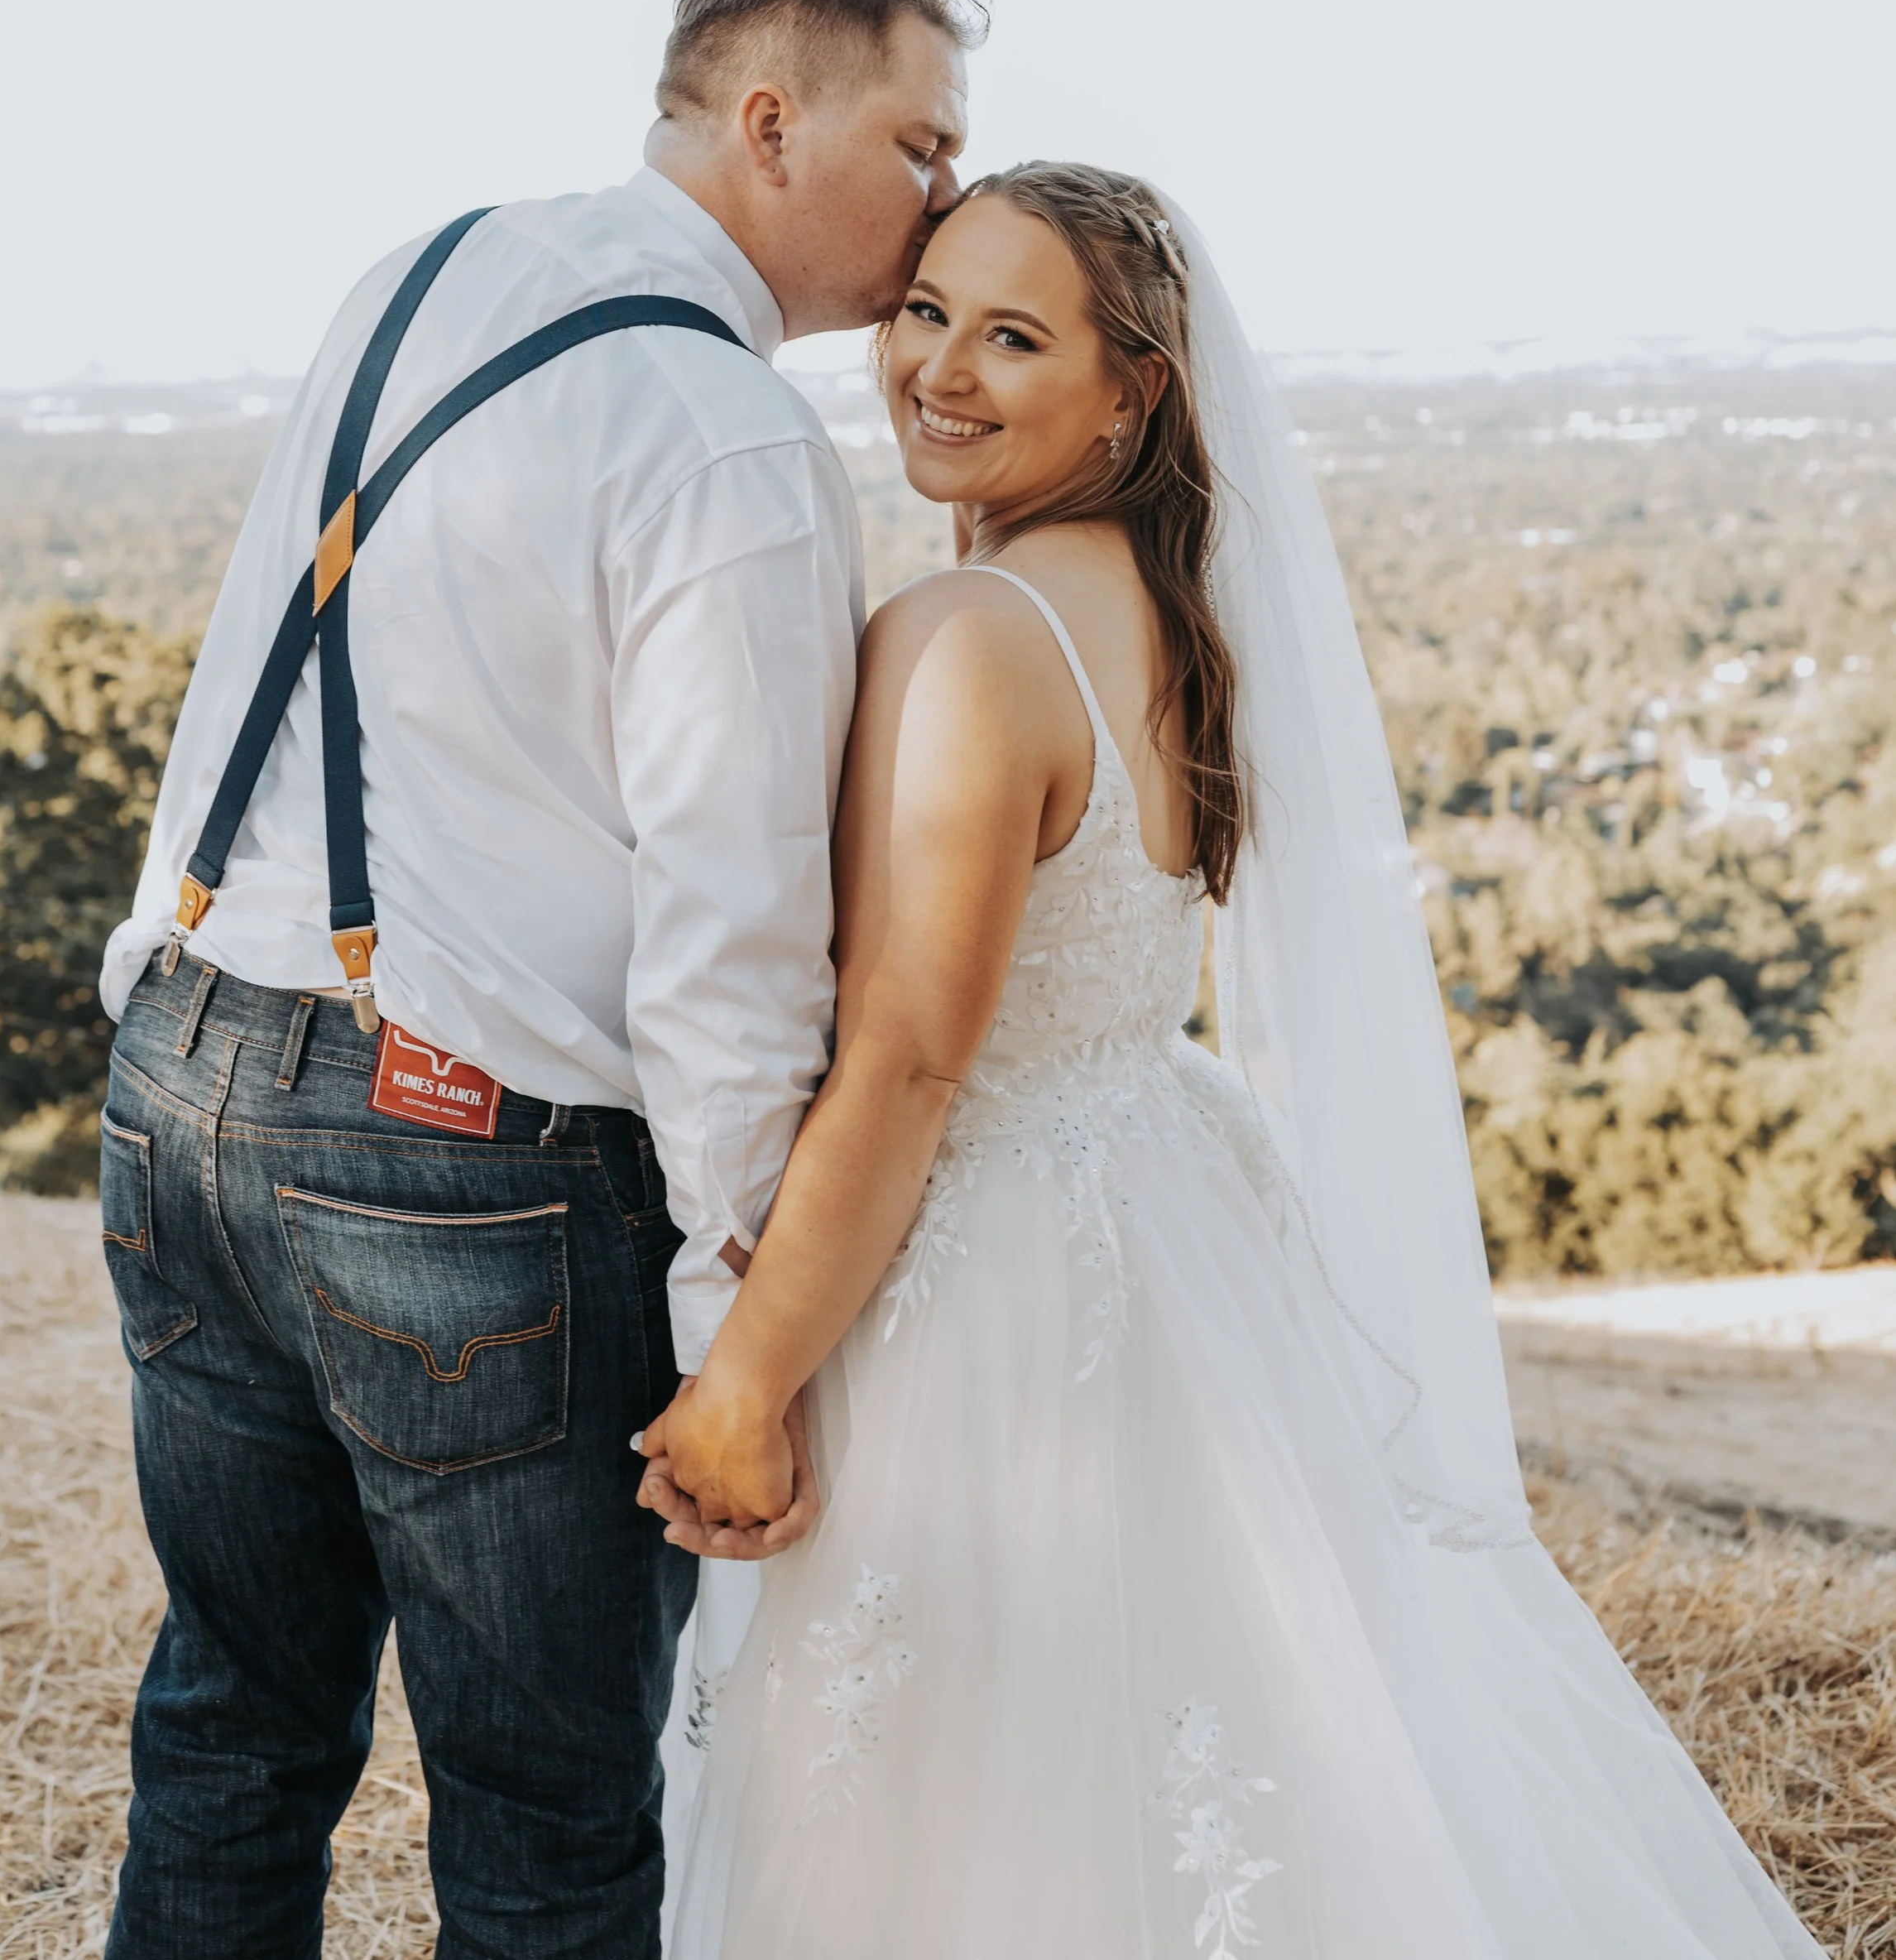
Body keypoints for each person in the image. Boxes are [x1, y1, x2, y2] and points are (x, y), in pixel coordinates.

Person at [638, 165, 1822, 1960]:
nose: (936, 370)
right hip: (1167, 1217)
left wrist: (740, 1385)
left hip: (999, 1289)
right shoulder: (1183, 618)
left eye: (1011, 337)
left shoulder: (963, 641)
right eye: (922, 313)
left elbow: (900, 1065)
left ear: (1131, 392)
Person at [92, 0, 978, 1960]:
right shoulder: (735, 441)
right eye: (921, 148)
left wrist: (149, 975)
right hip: (463, 1172)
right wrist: (735, 1335)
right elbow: (727, 944)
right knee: (554, 1825)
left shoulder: (421, 265)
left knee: (229, 1732)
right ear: (774, 119)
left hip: (189, 1080)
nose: (942, 200)